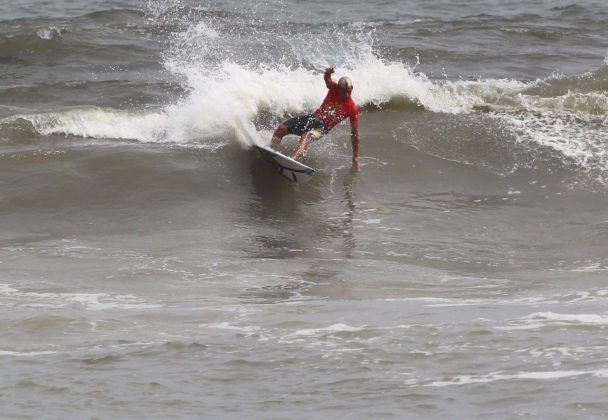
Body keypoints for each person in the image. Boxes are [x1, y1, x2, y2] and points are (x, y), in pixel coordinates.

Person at [270, 67, 360, 171]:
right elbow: (327, 80)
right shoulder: (333, 87)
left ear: (352, 88)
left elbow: (355, 134)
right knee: (281, 128)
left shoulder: (352, 108)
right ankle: (272, 151)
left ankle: (291, 162)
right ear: (338, 89)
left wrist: (355, 157)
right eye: (344, 92)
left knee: (306, 137)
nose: (346, 95)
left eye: (349, 92)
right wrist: (327, 73)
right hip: (312, 118)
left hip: (323, 127)